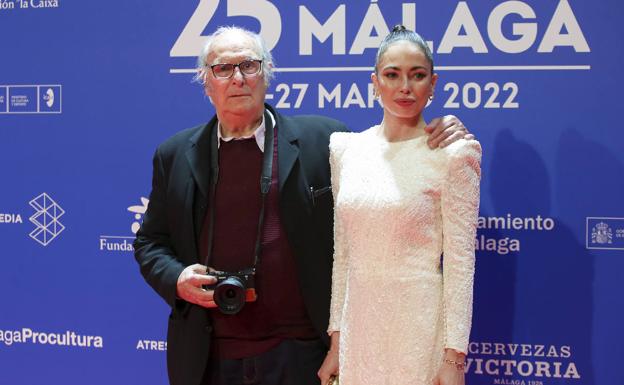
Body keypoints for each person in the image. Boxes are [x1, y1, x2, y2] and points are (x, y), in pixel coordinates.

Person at [133, 25, 474, 385]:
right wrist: (177, 278)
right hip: (207, 355)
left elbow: (393, 154)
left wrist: (448, 129)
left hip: (301, 354)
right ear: (206, 81)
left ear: (267, 75)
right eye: (223, 68)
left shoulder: (325, 140)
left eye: (249, 65)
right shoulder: (174, 156)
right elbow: (150, 242)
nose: (238, 78)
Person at [322, 26, 481, 385]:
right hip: (359, 332)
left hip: (418, 329)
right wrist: (336, 341)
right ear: (374, 81)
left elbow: (460, 264)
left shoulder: (454, 154)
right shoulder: (346, 151)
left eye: (417, 75)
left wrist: (454, 359)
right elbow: (343, 254)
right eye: (392, 75)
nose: (405, 87)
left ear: (434, 83)